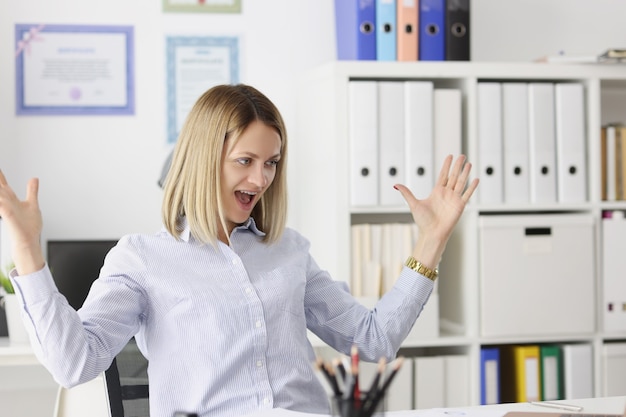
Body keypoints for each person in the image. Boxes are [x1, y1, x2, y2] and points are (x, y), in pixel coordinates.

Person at [0, 84, 479, 417]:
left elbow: (374, 340)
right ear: (205, 159)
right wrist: (27, 251)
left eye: (270, 163)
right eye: (244, 161)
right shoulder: (142, 259)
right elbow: (73, 362)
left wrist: (431, 238)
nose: (260, 179)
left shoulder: (288, 250)